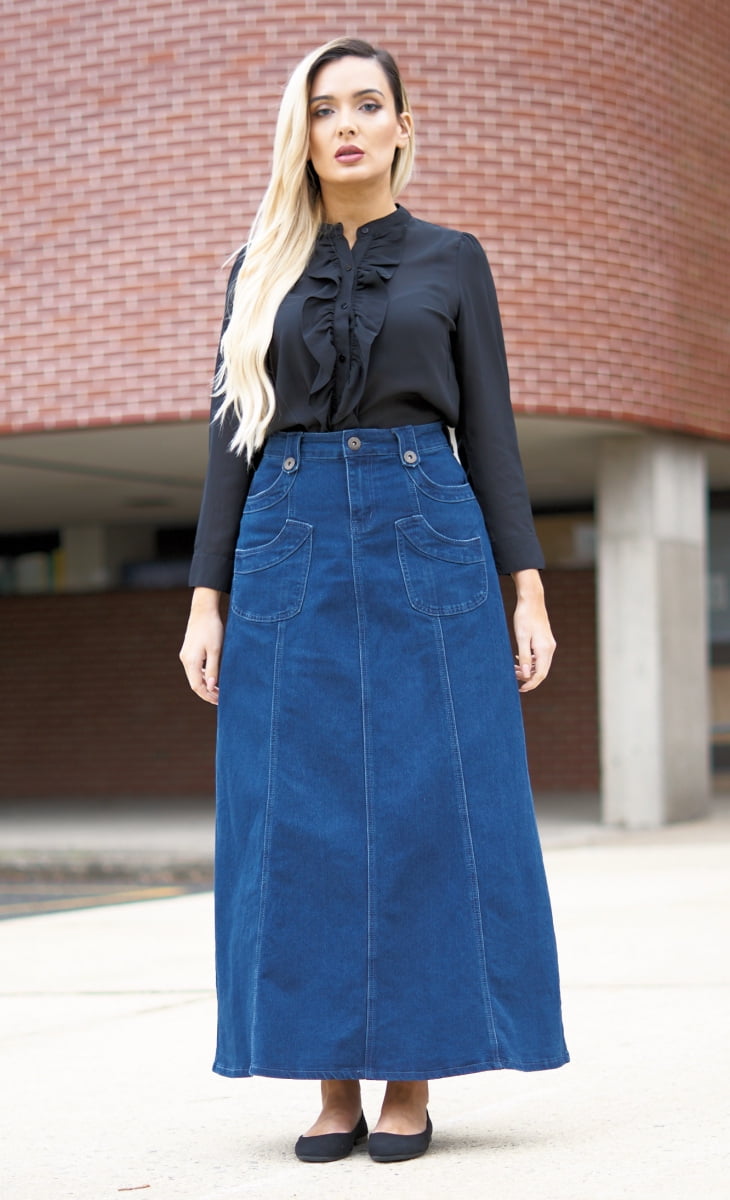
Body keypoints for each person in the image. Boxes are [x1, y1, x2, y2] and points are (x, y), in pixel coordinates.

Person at [179, 36, 568, 1165]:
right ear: (299, 135)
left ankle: (410, 1079)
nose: (344, 124)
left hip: (423, 531)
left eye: (365, 105)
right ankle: (330, 1081)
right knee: (292, 816)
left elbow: (488, 429)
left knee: (421, 807)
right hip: (286, 544)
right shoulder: (257, 266)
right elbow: (228, 445)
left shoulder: (453, 259)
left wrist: (525, 586)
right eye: (322, 109)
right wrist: (206, 597)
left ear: (404, 123)